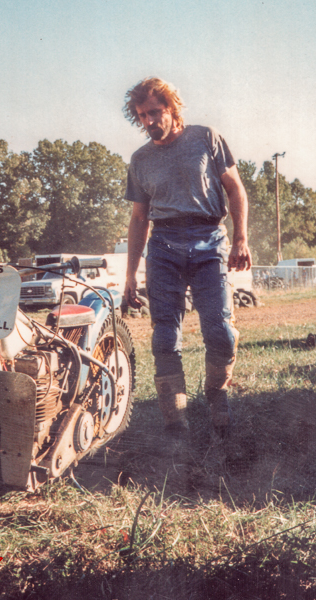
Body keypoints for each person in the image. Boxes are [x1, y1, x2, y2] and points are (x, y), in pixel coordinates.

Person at [123, 77, 251, 439]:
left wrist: (241, 239)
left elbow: (236, 189)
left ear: (172, 108)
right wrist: (131, 274)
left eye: (154, 112)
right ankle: (175, 419)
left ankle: (217, 394)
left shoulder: (205, 138)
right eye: (141, 116)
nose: (149, 121)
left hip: (209, 240)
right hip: (163, 246)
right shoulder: (140, 160)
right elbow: (138, 219)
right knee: (164, 336)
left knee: (220, 331)